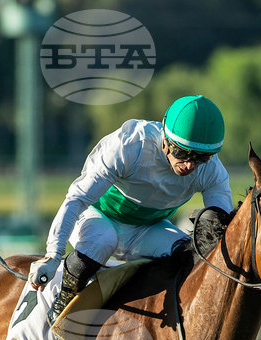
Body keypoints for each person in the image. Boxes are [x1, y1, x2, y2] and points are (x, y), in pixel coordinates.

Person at [28, 95, 234, 323]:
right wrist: (53, 255)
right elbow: (77, 199)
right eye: (182, 152)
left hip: (148, 229)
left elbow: (222, 227)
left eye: (201, 157)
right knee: (101, 241)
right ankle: (64, 299)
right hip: (99, 215)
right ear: (165, 136)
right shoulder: (129, 145)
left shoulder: (212, 170)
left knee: (187, 258)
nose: (189, 165)